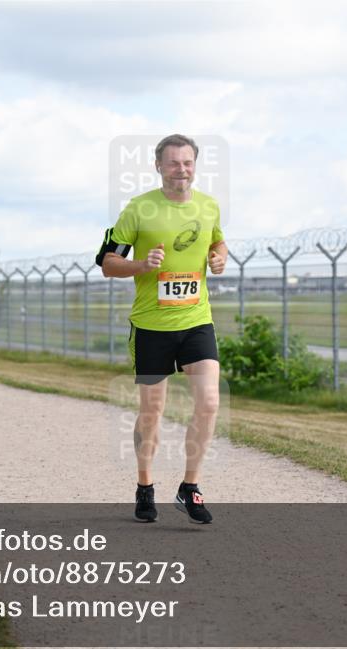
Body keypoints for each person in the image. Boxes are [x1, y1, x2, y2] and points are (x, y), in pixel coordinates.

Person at [97, 134, 227, 524]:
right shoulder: (138, 209)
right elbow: (107, 263)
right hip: (151, 326)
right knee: (152, 411)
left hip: (196, 320)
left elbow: (218, 243)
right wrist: (140, 265)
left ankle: (190, 487)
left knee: (209, 402)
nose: (181, 169)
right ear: (158, 166)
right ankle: (145, 485)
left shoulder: (208, 206)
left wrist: (218, 257)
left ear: (195, 165)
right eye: (173, 162)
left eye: (187, 162)